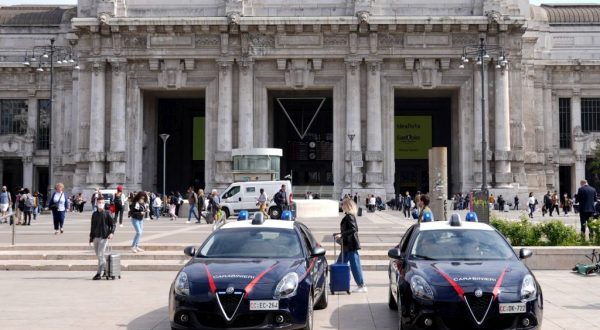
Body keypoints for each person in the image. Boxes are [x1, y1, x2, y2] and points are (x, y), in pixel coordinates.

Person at [334, 198, 367, 293]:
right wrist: (339, 234)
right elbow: (348, 230)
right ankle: (336, 283)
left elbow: (354, 229)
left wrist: (341, 235)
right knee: (339, 264)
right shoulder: (348, 216)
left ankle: (362, 285)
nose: (341, 206)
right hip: (347, 246)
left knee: (354, 266)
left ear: (347, 206)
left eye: (343, 204)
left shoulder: (349, 216)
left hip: (351, 246)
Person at [88, 195, 115, 280]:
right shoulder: (94, 214)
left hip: (104, 236)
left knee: (100, 255)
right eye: (99, 202)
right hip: (96, 236)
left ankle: (98, 273)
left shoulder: (107, 213)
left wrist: (111, 233)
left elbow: (113, 224)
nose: (101, 204)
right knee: (99, 255)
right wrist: (91, 237)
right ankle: (106, 270)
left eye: (102, 202)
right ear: (96, 203)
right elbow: (92, 226)